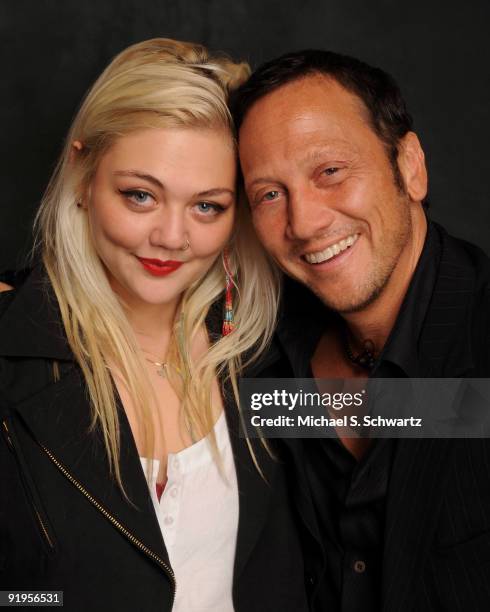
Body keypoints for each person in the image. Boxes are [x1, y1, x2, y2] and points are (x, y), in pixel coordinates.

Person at [0, 39, 309, 612]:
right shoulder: (11, 346)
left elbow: (443, 418)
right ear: (82, 172)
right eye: (140, 195)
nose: (171, 237)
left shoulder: (262, 352)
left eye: (207, 206)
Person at [232, 50, 490, 611]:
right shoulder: (268, 359)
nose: (304, 223)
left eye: (329, 171)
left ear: (410, 166)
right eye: (269, 194)